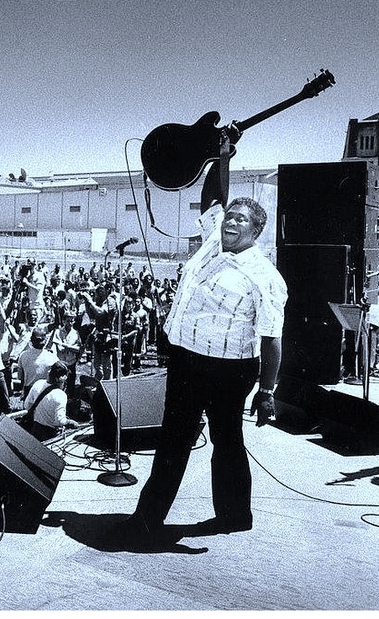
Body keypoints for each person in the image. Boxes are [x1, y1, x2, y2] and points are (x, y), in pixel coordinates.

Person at [118, 167, 287, 541]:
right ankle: (147, 518)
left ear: (255, 231)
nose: (231, 221)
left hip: (229, 371)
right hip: (185, 361)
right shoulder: (213, 241)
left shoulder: (265, 276)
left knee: (226, 441)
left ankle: (235, 515)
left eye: (241, 219)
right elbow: (213, 196)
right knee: (173, 439)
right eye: (231, 216)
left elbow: (272, 338)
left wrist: (267, 392)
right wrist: (221, 156)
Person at [22, 360, 80, 441]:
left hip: (35, 429)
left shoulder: (38, 383)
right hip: (50, 434)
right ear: (62, 379)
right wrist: (71, 422)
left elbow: (27, 406)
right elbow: (59, 421)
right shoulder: (60, 395)